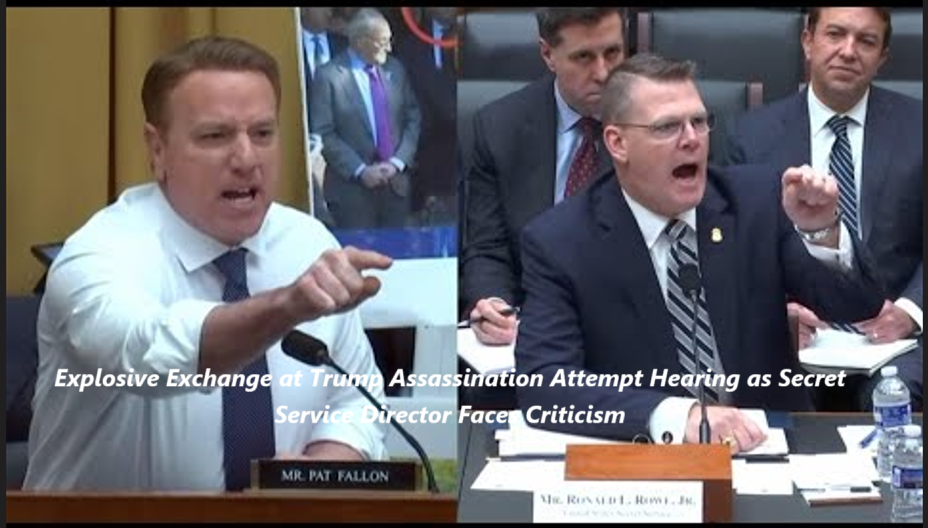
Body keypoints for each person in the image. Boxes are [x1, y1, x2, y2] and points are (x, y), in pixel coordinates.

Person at [24, 36, 393, 491]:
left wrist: (317, 470)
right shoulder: (99, 255)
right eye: (215, 136)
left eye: (262, 133)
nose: (246, 159)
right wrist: (286, 308)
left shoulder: (308, 242)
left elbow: (355, 401)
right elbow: (147, 354)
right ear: (157, 149)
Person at [514, 53, 886, 450]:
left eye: (699, 121)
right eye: (667, 127)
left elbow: (857, 306)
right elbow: (545, 385)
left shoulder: (757, 201)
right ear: (618, 143)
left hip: (771, 444)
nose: (692, 138)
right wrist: (676, 416)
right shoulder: (561, 241)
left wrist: (821, 230)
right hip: (648, 459)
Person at [724, 7, 922, 411]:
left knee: (893, 401)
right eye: (835, 34)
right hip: (797, 338)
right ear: (807, 41)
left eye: (866, 41)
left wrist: (910, 312)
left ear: (882, 57)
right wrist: (780, 311)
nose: (848, 51)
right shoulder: (750, 135)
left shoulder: (918, 129)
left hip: (899, 341)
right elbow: (735, 245)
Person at [461, 8, 626, 346]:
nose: (603, 72)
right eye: (583, 57)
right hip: (532, 323)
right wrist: (492, 304)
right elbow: (488, 247)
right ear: (548, 54)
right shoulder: (498, 128)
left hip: (628, 323)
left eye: (613, 53)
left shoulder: (660, 123)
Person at [311, 8, 422, 229]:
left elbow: (413, 117)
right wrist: (360, 170)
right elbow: (324, 133)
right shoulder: (329, 76)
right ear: (361, 42)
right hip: (352, 196)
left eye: (390, 41)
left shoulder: (395, 70)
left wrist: (397, 162)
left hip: (395, 189)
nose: (389, 48)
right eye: (382, 42)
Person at [299, 7, 348, 228]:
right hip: (302, 151)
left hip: (346, 153)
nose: (330, 12)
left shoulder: (343, 45)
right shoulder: (287, 45)